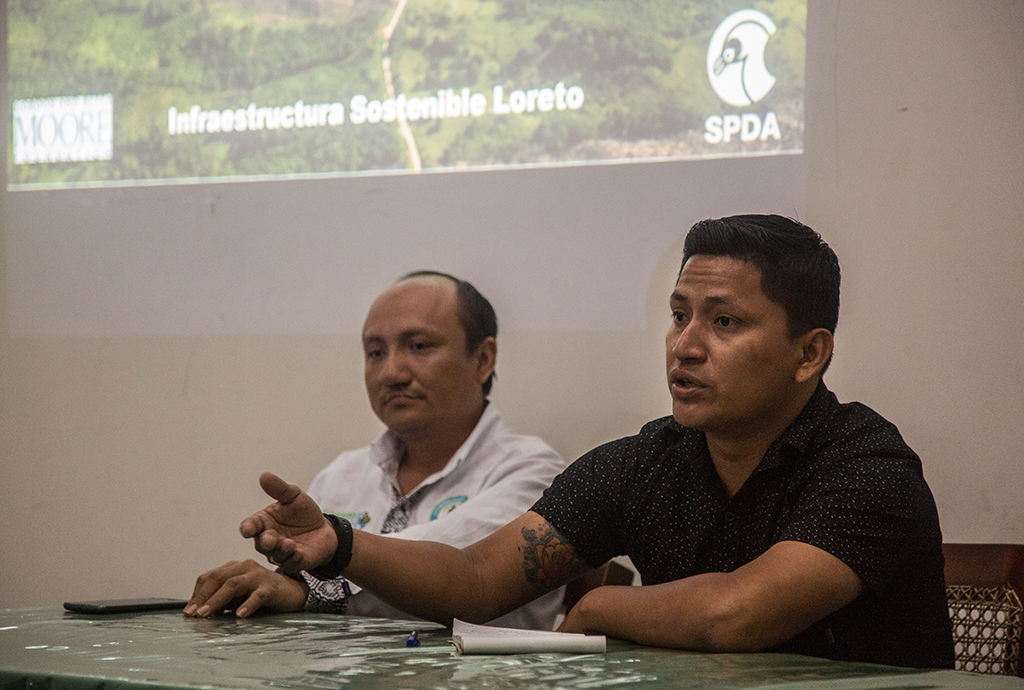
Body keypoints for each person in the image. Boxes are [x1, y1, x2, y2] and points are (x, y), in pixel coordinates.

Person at [188, 215, 955, 669]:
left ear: (810, 353)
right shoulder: (643, 464)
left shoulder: (868, 468)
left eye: (724, 322)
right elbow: (476, 579)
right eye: (678, 315)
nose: (685, 345)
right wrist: (340, 544)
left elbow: (734, 615)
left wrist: (604, 609)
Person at [187, 270, 567, 630]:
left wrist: (315, 580)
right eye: (375, 353)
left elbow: (467, 572)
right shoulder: (342, 475)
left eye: (419, 347)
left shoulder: (533, 470)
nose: (391, 373)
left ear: (483, 359)